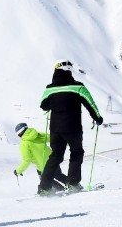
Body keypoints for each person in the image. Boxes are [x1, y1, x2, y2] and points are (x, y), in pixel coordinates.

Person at [38, 60, 102, 194]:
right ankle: (72, 184)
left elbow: (43, 105)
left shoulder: (49, 88)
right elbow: (90, 103)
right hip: (73, 127)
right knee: (76, 152)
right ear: (69, 71)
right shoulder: (78, 87)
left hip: (55, 129)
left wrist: (55, 103)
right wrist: (98, 118)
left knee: (55, 156)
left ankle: (44, 188)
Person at [13, 122, 68, 192]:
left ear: (19, 133)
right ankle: (73, 185)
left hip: (43, 165)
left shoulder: (24, 144)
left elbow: (27, 160)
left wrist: (18, 171)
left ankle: (61, 190)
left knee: (45, 179)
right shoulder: (37, 134)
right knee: (58, 175)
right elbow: (50, 138)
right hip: (53, 159)